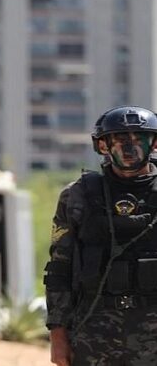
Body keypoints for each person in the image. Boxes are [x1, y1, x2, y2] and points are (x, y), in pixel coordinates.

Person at [45, 105, 157, 366]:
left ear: (153, 144)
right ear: (103, 146)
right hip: (93, 332)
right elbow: (59, 270)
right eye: (119, 140)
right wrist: (57, 336)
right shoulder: (77, 196)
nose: (129, 149)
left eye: (138, 140)